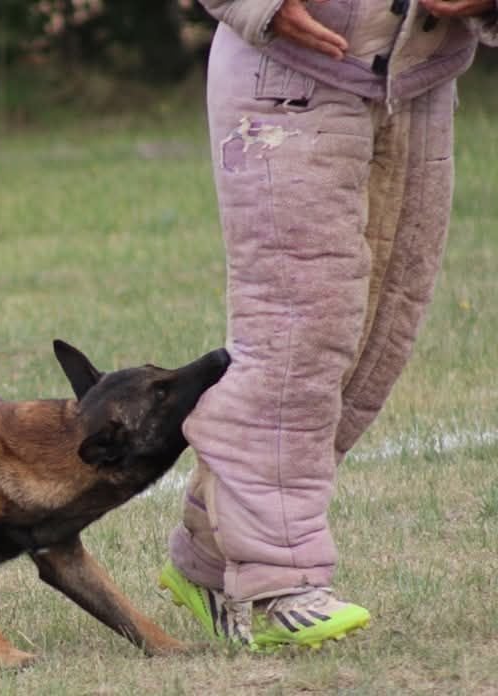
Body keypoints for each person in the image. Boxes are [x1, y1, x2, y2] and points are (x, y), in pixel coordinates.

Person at [158, 0, 498, 649]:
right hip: (289, 78)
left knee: (378, 339)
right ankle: (279, 578)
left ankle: (208, 557)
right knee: (297, 336)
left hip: (420, 85)